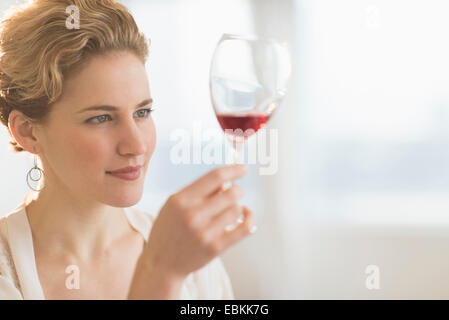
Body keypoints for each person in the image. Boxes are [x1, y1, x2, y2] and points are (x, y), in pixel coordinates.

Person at [0, 0, 255, 300]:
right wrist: (161, 273)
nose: (136, 146)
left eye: (142, 112)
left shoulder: (187, 255)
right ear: (28, 132)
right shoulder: (8, 275)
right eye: (101, 118)